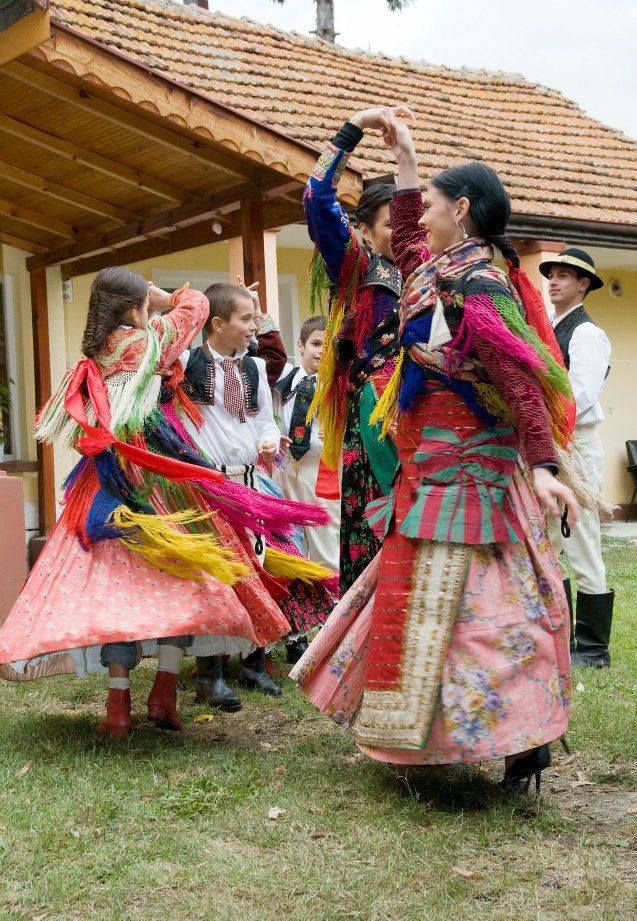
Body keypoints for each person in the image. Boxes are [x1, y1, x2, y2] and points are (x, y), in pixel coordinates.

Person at [292, 107, 579, 795]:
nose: (418, 211)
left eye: (431, 201)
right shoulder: (435, 269)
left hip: (472, 476)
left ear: (463, 209)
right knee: (430, 607)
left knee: (488, 611)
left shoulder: (479, 283)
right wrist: (405, 155)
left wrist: (543, 465)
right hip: (427, 472)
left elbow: (518, 377)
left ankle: (519, 741)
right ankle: (442, 740)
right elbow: (395, 226)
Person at [0, 268, 293, 738]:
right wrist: (165, 297)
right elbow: (197, 307)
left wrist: (143, 302)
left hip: (105, 481)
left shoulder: (98, 350)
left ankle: (118, 706)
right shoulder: (146, 341)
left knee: (117, 590)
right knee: (181, 581)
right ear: (135, 308)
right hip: (155, 475)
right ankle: (164, 693)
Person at [181, 283, 334, 707]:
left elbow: (265, 420)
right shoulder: (188, 365)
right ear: (217, 324)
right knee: (218, 575)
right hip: (211, 485)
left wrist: (268, 439)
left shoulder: (255, 368)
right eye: (246, 319)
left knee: (263, 567)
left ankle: (253, 662)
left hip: (252, 483)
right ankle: (210, 673)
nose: (254, 327)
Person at [304, 115, 401, 594]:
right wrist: (352, 131)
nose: (406, 232)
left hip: (426, 415)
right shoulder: (357, 265)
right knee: (377, 526)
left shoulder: (429, 269)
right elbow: (316, 197)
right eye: (392, 224)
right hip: (376, 418)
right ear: (362, 228)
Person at [539, 249, 613, 668]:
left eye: (564, 276)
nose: (553, 281)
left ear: (584, 284)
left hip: (577, 443)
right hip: (554, 443)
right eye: (551, 275)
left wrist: (544, 420)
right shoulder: (552, 327)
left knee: (581, 539)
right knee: (550, 539)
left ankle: (593, 648)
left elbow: (581, 395)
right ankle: (562, 637)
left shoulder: (586, 333)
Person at [273, 316, 340, 577]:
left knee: (325, 538)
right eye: (316, 344)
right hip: (285, 468)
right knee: (289, 541)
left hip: (320, 469)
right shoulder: (284, 380)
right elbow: (269, 352)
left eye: (329, 346)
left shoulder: (338, 385)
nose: (322, 351)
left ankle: (332, 594)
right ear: (300, 346)